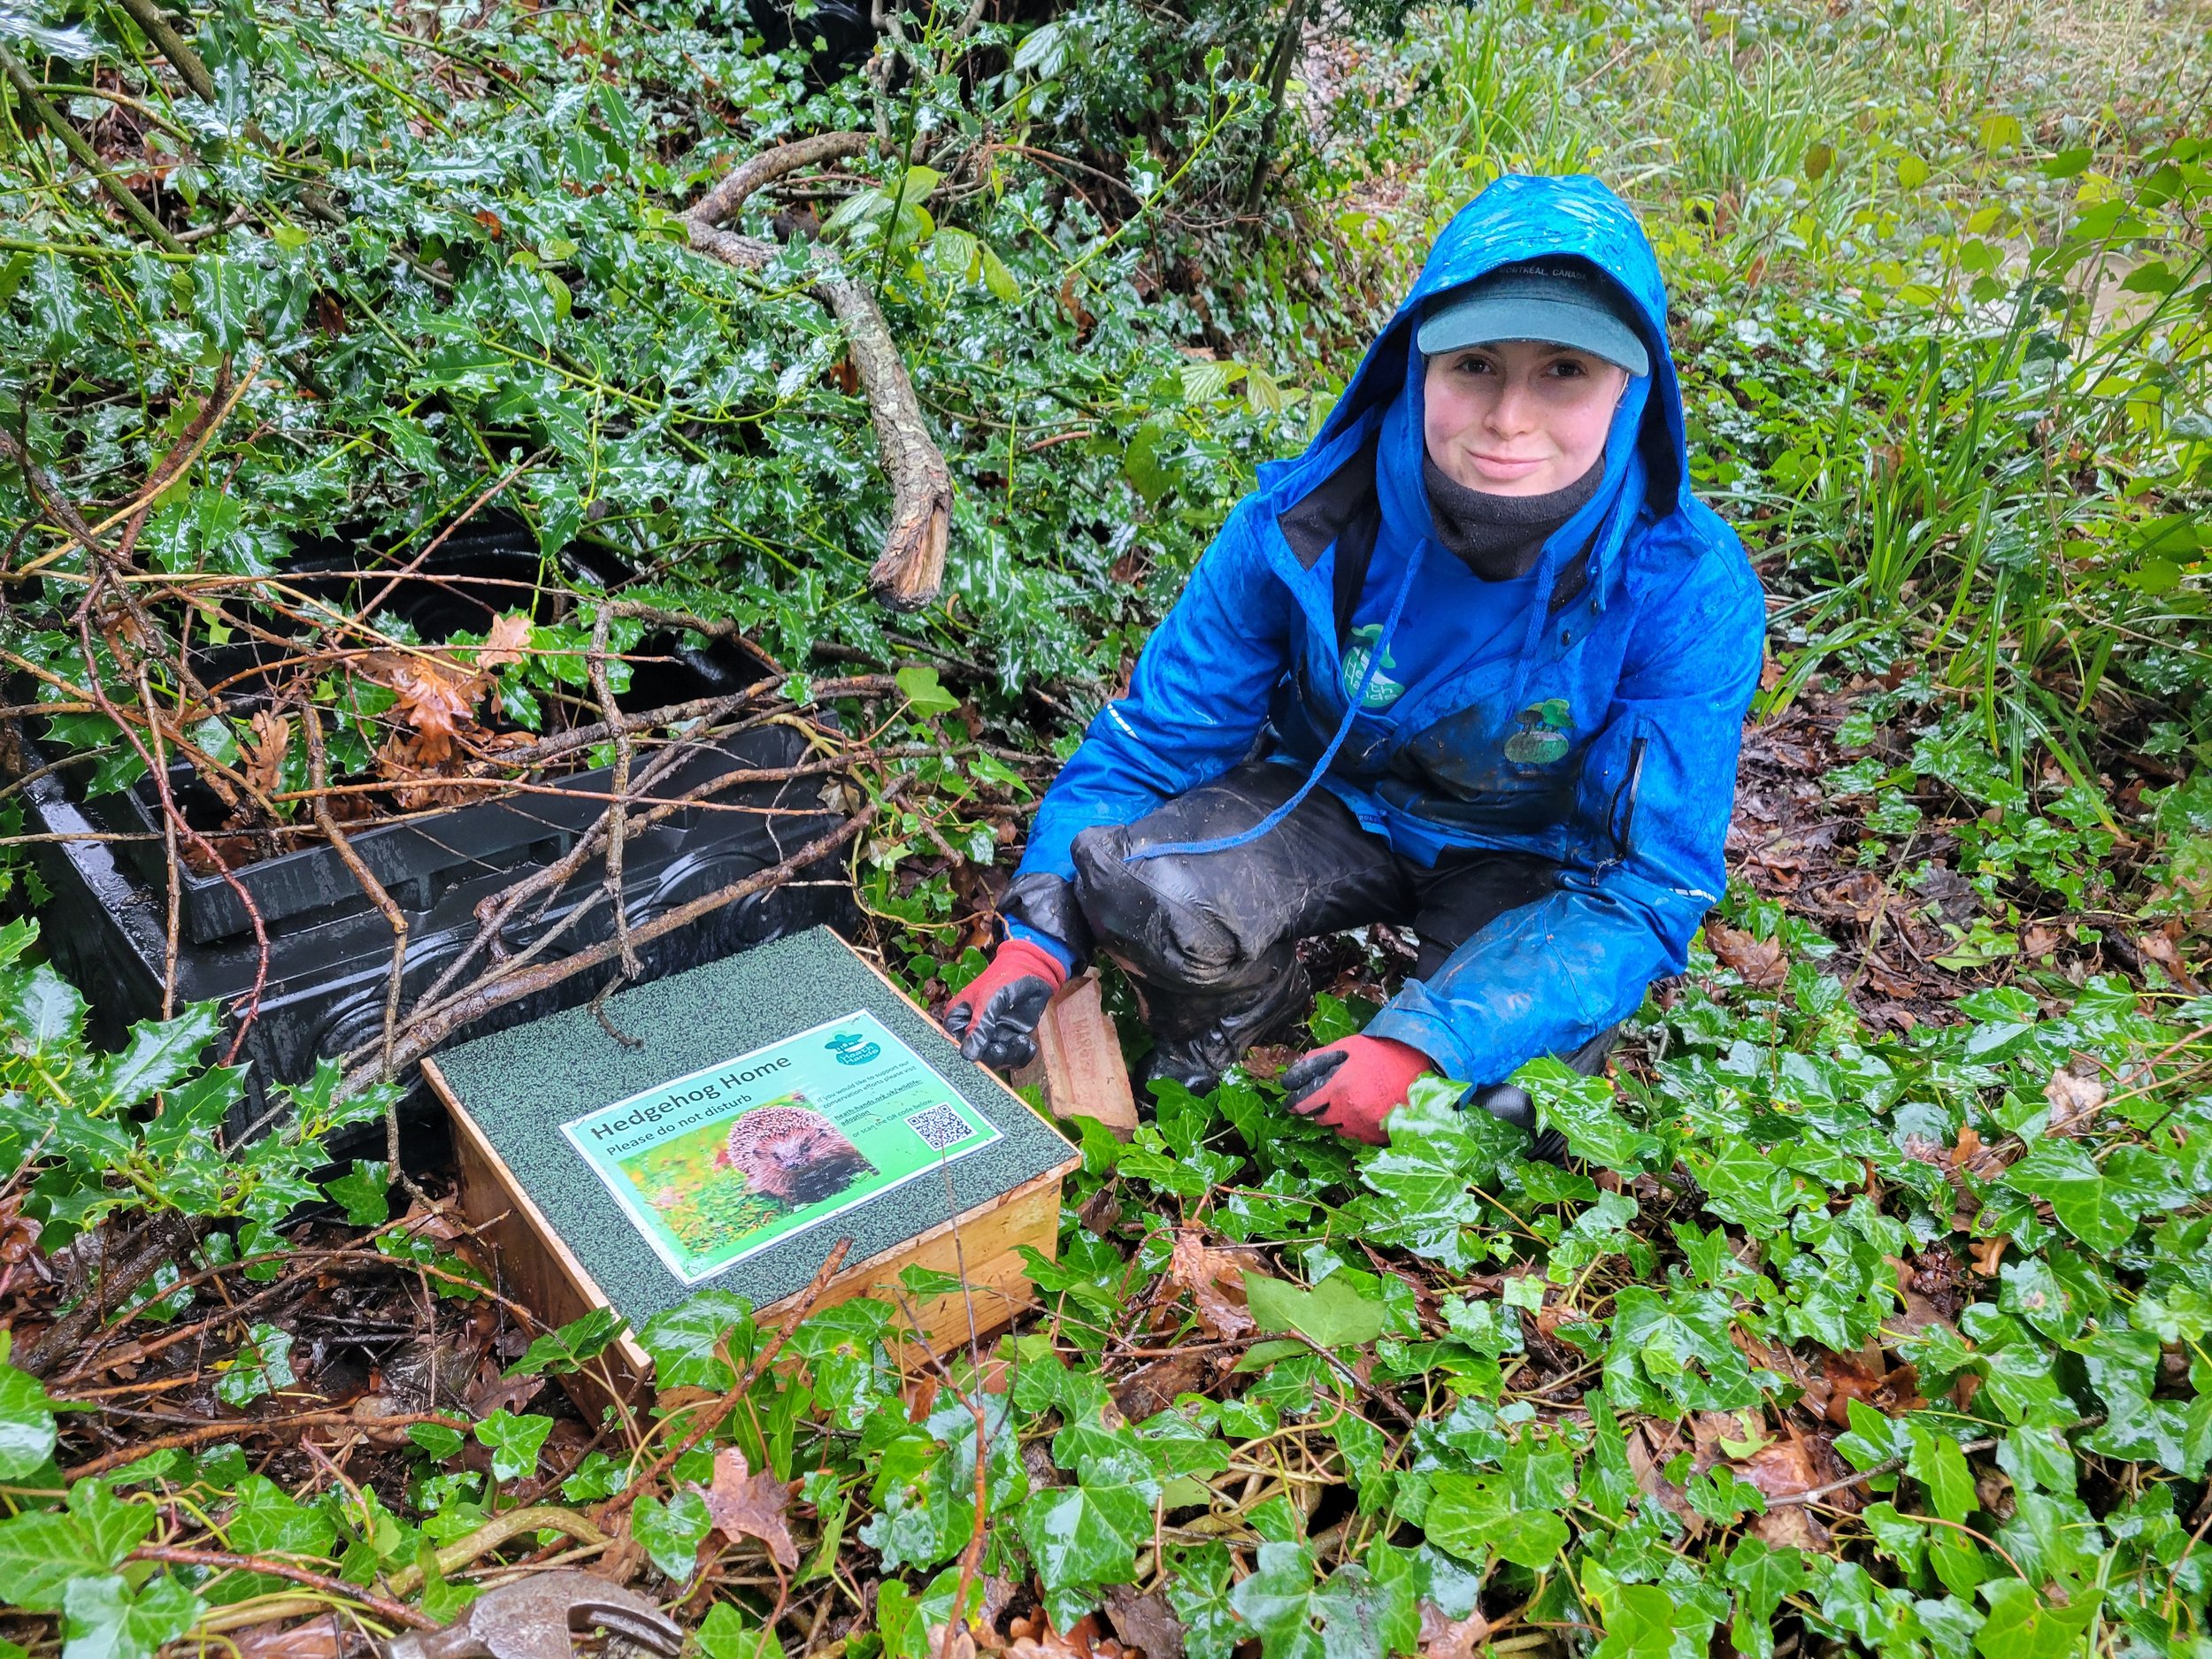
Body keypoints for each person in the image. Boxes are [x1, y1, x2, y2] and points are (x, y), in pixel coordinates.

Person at [943, 174, 1766, 1147]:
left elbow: (1646, 883)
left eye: (1562, 372)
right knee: (1137, 885)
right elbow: (1153, 746)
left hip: (1531, 860)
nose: (1508, 418)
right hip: (1333, 803)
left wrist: (1426, 1047)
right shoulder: (1300, 524)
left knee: (1513, 1111)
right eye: (1473, 366)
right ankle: (1245, 1012)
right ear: (1416, 367)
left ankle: (1428, 1055)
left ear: (1631, 388)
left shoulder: (1687, 587)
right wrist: (1036, 942)